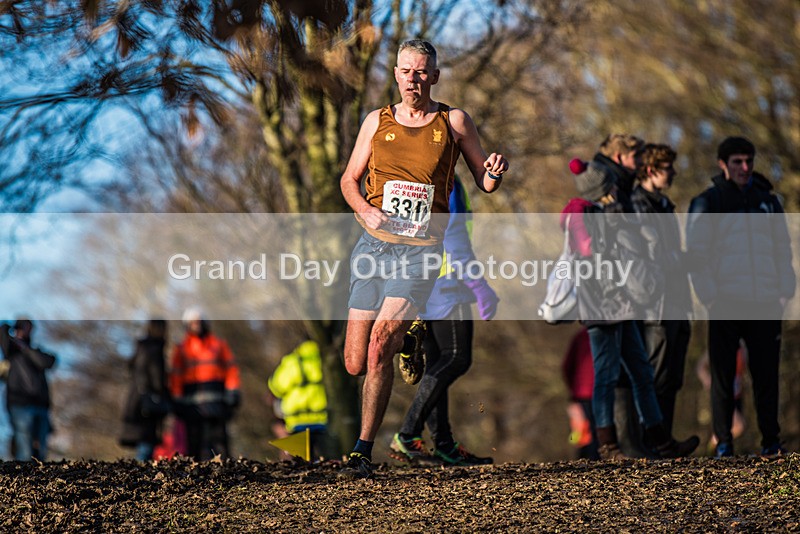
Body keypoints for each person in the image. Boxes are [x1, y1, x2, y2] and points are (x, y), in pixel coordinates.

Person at [339, 39, 508, 478]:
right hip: (373, 247)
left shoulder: (453, 122)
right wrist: (365, 209)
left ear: (434, 76)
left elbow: (483, 182)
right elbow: (348, 180)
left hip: (421, 251)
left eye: (421, 72)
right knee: (355, 361)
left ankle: (362, 449)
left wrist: (493, 173)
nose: (413, 79)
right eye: (405, 71)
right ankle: (408, 333)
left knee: (380, 344)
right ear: (395, 74)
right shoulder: (375, 122)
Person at [563, 158, 699, 460]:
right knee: (606, 376)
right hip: (602, 310)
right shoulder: (582, 217)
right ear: (602, 190)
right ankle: (608, 445)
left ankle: (660, 439)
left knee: (641, 372)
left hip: (623, 306)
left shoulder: (608, 215)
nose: (616, 187)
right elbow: (592, 259)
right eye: (611, 184)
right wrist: (614, 228)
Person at [686, 136, 795, 458]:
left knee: (766, 375)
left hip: (764, 301)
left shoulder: (769, 201)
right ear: (723, 164)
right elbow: (696, 255)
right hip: (725, 301)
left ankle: (771, 442)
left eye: (748, 161)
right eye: (737, 161)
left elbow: (783, 250)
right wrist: (709, 297)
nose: (745, 168)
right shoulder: (709, 202)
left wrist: (784, 291)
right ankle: (724, 443)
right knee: (722, 376)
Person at [389, 176, 498, 467]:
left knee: (437, 362)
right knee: (457, 358)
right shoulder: (447, 182)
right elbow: (455, 239)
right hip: (448, 285)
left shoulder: (411, 177)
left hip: (422, 285)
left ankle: (444, 444)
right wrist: (478, 284)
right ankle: (408, 433)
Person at [613, 144, 694, 458]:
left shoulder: (665, 205)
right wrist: (679, 261)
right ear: (650, 171)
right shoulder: (635, 206)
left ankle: (666, 443)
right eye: (667, 167)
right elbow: (644, 260)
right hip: (653, 309)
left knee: (672, 378)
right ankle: (646, 444)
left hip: (678, 303)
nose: (673, 172)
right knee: (653, 377)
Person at [170, 309, 241, 461]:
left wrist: (233, 391)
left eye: (199, 322)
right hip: (191, 407)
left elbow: (231, 369)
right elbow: (176, 376)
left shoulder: (219, 345)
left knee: (219, 442)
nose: (196, 326)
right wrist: (176, 399)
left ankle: (226, 474)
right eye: (192, 323)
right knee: (194, 444)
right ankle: (196, 478)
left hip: (217, 404)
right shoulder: (181, 349)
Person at [0, 319, 56, 461]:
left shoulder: (36, 352)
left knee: (41, 450)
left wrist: (24, 347)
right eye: (23, 327)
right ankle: (23, 481)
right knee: (24, 449)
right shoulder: (11, 353)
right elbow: (2, 332)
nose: (26, 330)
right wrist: (11, 326)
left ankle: (40, 480)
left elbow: (46, 362)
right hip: (19, 405)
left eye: (29, 327)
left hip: (41, 405)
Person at [268, 340, 330, 461]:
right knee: (322, 458)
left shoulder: (292, 361)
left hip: (296, 419)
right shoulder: (324, 360)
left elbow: (276, 387)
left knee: (298, 459)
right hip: (321, 418)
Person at [120, 319, 171, 461]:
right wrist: (163, 394)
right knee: (146, 443)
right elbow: (156, 378)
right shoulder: (154, 349)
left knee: (144, 443)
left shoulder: (141, 348)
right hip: (147, 404)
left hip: (138, 402)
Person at [561, 327, 599, 460]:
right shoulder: (608, 334)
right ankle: (593, 459)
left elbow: (567, 366)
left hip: (582, 392)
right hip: (600, 390)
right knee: (596, 429)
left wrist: (573, 389)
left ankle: (584, 459)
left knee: (581, 432)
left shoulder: (580, 336)